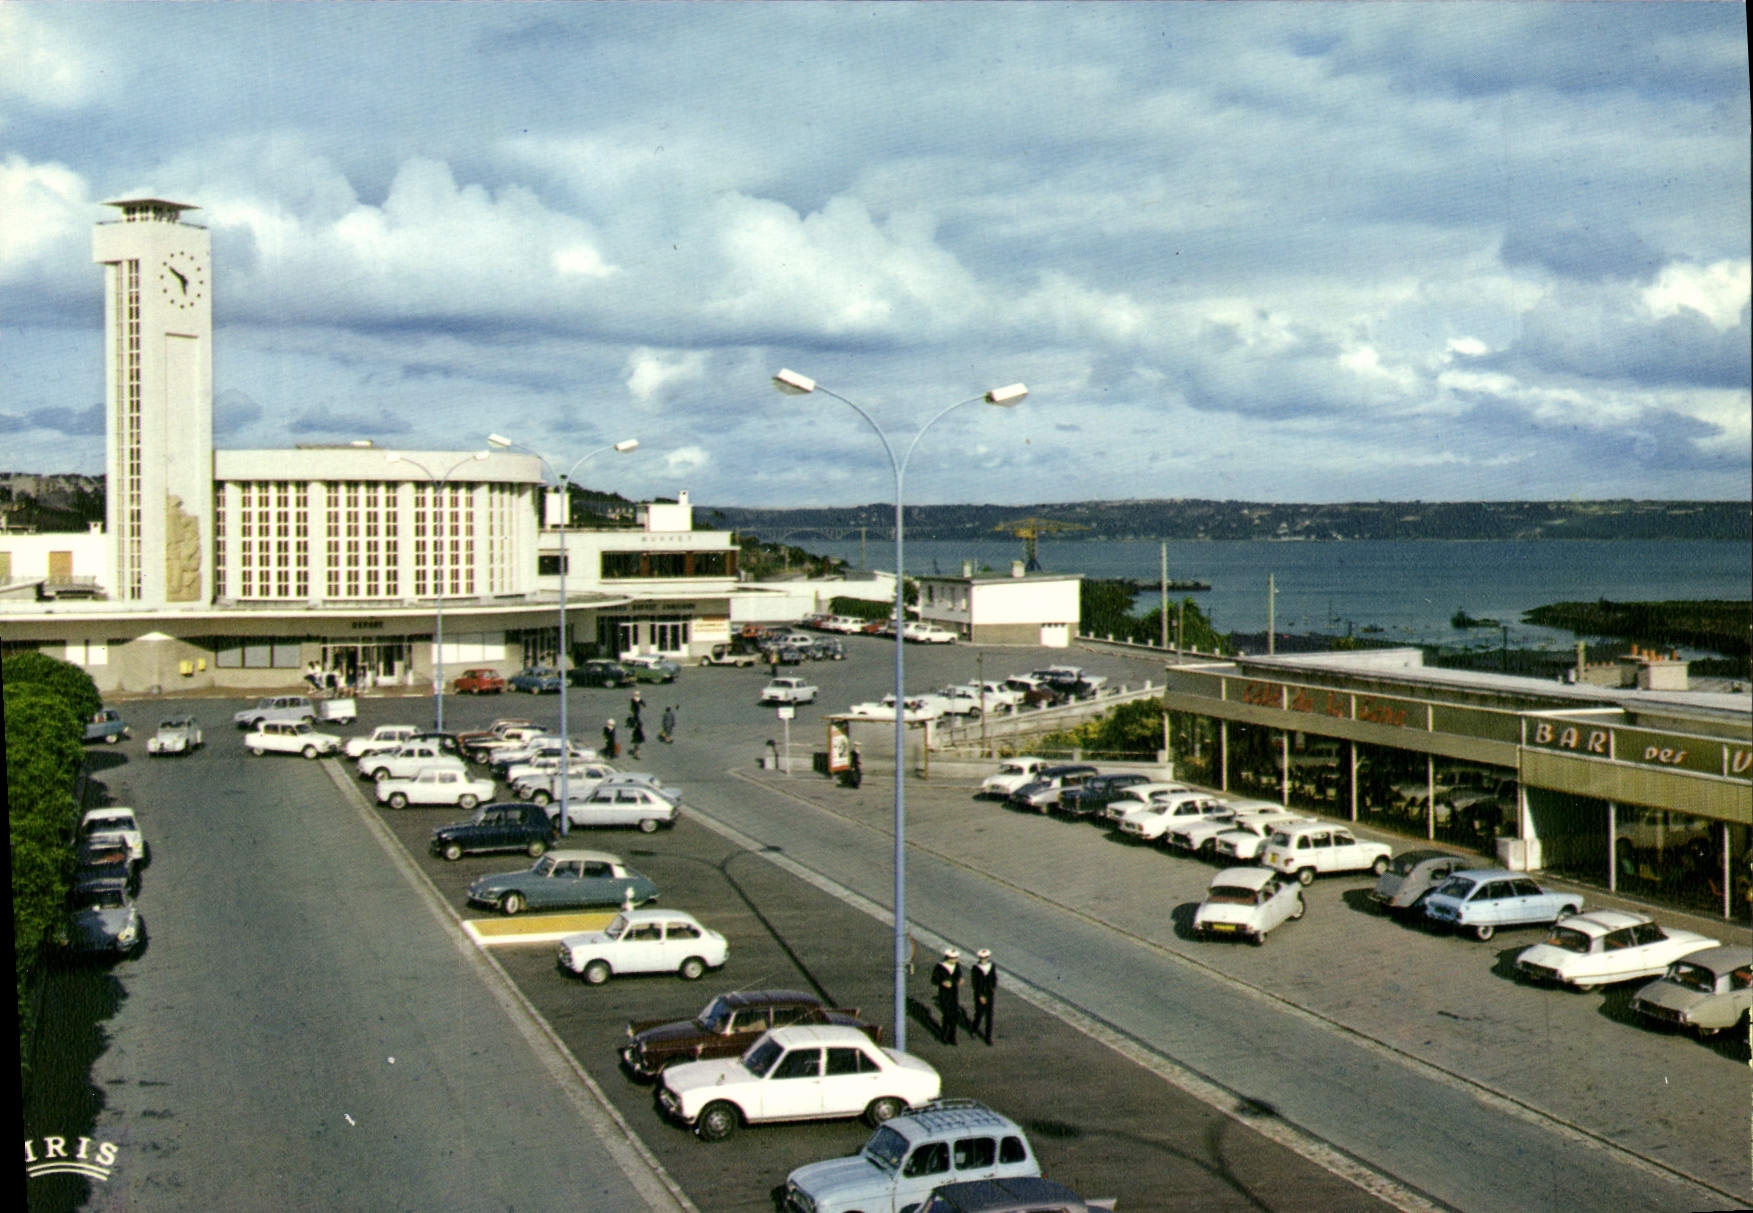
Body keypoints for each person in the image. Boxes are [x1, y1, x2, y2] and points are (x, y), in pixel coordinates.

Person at [930, 948, 963, 1045]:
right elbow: (934, 980)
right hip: (944, 994)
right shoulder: (940, 967)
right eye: (953, 958)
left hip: (954, 993)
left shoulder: (956, 966)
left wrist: (959, 980)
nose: (955, 960)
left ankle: (952, 1037)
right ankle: (943, 1035)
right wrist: (942, 982)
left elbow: (958, 976)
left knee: (954, 1015)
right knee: (947, 1015)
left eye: (956, 958)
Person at [969, 948, 997, 1045]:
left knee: (989, 1016)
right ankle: (974, 1028)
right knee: (979, 1014)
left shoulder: (991, 966)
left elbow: (994, 978)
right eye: (981, 958)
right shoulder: (976, 968)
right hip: (980, 994)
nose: (983, 960)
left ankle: (988, 1037)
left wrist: (993, 987)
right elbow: (975, 983)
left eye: (985, 958)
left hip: (989, 994)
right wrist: (980, 995)